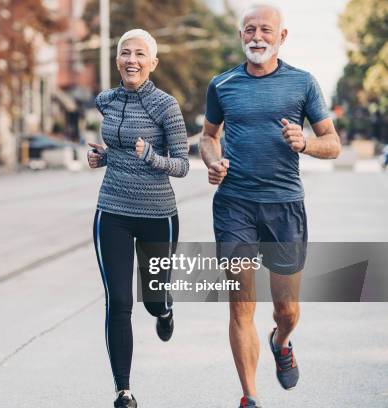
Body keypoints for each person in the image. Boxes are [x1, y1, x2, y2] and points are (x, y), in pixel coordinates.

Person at [200, 5, 341, 407]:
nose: (256, 36)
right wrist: (213, 161)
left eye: (265, 30)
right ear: (241, 35)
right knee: (241, 305)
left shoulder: (303, 83)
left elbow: (332, 143)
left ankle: (281, 341)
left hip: (284, 207)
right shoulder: (222, 84)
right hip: (234, 206)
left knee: (287, 309)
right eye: (249, 30)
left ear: (281, 37)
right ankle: (250, 397)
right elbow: (208, 136)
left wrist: (306, 143)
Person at [88, 29, 189, 408]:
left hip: (157, 215)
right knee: (118, 302)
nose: (132, 60)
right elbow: (116, 150)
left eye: (140, 54)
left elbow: (181, 166)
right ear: (117, 61)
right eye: (125, 53)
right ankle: (123, 391)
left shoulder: (166, 106)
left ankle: (164, 309)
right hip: (112, 211)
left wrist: (150, 156)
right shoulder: (106, 101)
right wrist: (103, 157)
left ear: (153, 63)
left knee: (151, 299)